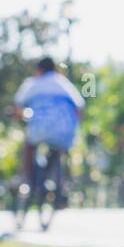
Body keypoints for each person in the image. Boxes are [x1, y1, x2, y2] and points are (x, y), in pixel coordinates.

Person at [12, 56, 84, 205]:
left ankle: (25, 177)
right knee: (61, 150)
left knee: (29, 144)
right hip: (65, 129)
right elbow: (79, 105)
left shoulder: (33, 83)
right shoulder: (63, 83)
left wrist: (18, 117)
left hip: (39, 127)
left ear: (39, 70)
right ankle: (62, 184)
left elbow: (18, 105)